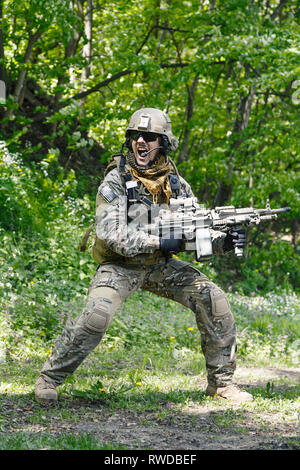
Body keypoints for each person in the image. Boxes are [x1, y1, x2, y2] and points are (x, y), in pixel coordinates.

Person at [35, 108, 252, 404]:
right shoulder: (116, 181)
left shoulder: (175, 184)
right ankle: (49, 377)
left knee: (213, 299)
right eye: (136, 136)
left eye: (149, 137)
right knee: (96, 317)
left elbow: (193, 234)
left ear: (163, 143)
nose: (141, 142)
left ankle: (221, 384)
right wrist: (160, 241)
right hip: (119, 266)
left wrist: (223, 241)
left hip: (160, 267)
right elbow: (112, 233)